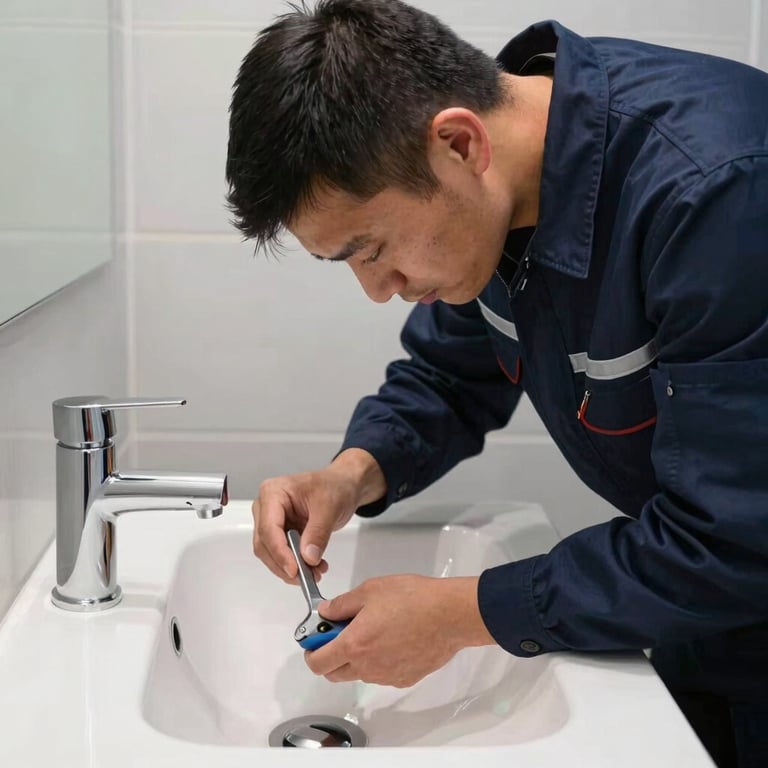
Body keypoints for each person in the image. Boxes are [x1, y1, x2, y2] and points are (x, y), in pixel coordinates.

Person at [225, 1, 768, 765]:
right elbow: (448, 378)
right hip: (701, 625)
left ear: (457, 141)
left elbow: (735, 537)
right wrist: (349, 476)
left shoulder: (717, 194)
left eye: (371, 248)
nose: (378, 290)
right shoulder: (497, 205)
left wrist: (458, 614)